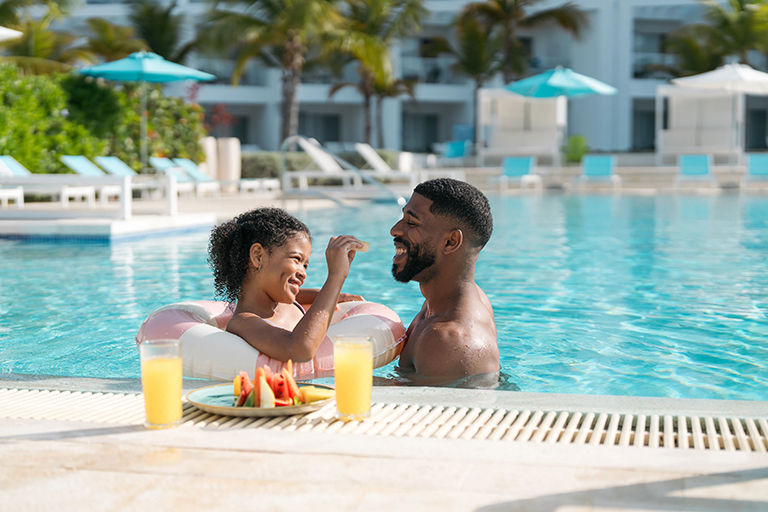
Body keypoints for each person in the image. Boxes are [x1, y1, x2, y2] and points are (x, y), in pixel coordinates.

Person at [208, 207, 365, 362]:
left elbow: (299, 297)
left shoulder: (286, 304)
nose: (303, 273)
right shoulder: (243, 323)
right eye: (296, 259)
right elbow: (300, 349)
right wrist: (336, 277)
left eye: (305, 265)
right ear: (258, 256)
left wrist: (328, 295)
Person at [390, 178, 499, 386]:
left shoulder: (449, 342)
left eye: (411, 223)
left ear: (450, 242)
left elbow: (423, 416)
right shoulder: (442, 299)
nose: (394, 230)